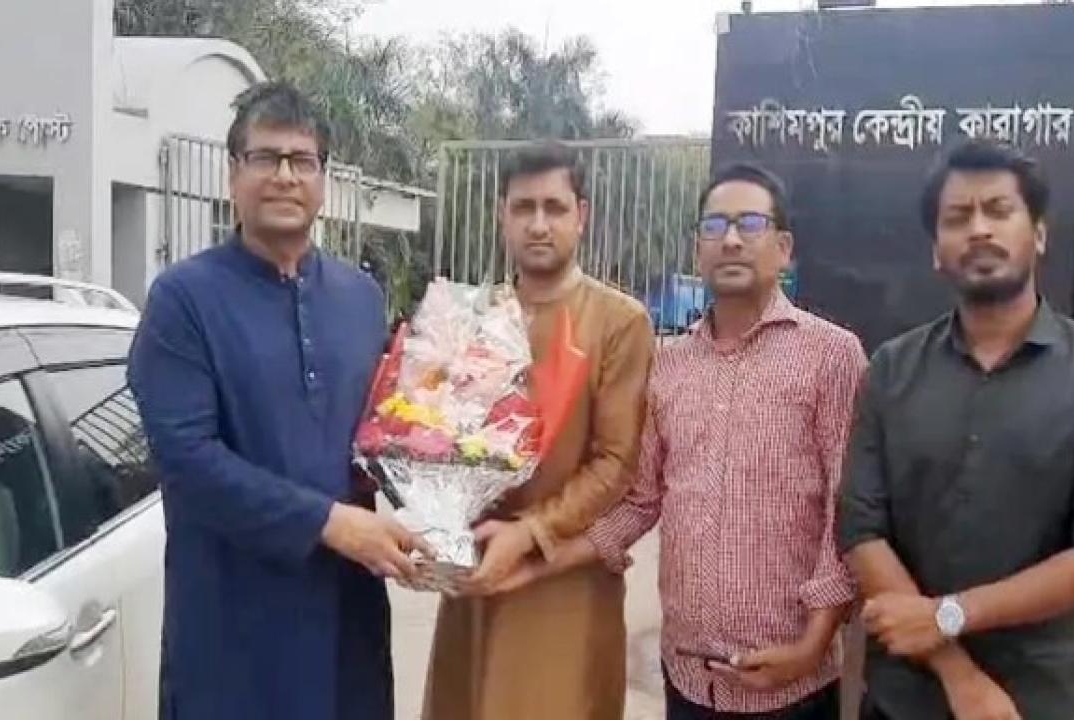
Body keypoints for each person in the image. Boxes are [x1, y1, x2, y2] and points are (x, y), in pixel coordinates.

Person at [500, 164, 866, 719]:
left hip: (793, 683)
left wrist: (813, 645)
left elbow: (848, 511)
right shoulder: (670, 365)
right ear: (698, 250)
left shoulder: (831, 357)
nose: (732, 240)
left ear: (784, 248)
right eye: (715, 226)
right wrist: (536, 559)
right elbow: (640, 501)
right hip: (690, 683)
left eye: (750, 224)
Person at [128, 80, 430, 720]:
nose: (285, 176)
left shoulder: (360, 299)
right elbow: (187, 459)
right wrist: (330, 523)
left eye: (302, 160)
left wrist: (445, 500)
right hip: (233, 634)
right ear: (233, 173)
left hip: (347, 626)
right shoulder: (183, 301)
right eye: (265, 157)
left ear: (324, 180)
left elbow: (383, 437)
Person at [839, 139, 1074, 720]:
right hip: (902, 699)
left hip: (1037, 700)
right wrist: (958, 672)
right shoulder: (892, 369)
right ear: (936, 251)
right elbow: (860, 528)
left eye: (999, 210)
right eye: (957, 217)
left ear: (1039, 234)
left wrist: (949, 613)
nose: (978, 229)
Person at [421, 142, 656, 720]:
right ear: (502, 215)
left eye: (554, 207)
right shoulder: (473, 317)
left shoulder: (619, 322)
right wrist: (431, 520)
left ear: (582, 215)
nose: (539, 224)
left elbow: (616, 463)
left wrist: (530, 532)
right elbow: (436, 436)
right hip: (476, 568)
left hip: (562, 580)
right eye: (523, 207)